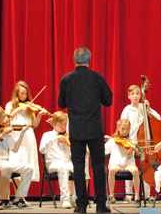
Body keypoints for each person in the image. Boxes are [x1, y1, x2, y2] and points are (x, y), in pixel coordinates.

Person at [58, 47, 113, 213]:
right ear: (89, 60)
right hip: (95, 129)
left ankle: (81, 205)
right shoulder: (97, 77)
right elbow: (108, 101)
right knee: (98, 166)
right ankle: (101, 205)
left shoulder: (67, 79)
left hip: (76, 130)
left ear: (74, 60)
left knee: (78, 167)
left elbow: (61, 104)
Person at [0, 104, 34, 209]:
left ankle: (19, 198)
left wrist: (22, 133)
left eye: (2, 118)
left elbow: (15, 149)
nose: (1, 121)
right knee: (6, 167)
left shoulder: (1, 129)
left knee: (29, 168)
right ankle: (3, 199)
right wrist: (2, 136)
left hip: (4, 161)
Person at [5, 81, 47, 198]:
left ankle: (22, 197)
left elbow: (34, 125)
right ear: (16, 94)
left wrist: (39, 115)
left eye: (25, 94)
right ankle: (18, 197)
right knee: (17, 164)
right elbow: (6, 120)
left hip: (29, 137)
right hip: (17, 136)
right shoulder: (10, 105)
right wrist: (18, 109)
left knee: (28, 165)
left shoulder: (30, 107)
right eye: (21, 94)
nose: (24, 96)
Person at [120, 85, 160, 203]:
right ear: (129, 96)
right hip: (131, 141)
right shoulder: (127, 109)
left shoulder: (143, 107)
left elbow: (158, 118)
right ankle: (129, 195)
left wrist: (149, 108)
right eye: (133, 94)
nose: (136, 96)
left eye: (137, 94)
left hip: (144, 141)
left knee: (146, 167)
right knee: (130, 166)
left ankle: (146, 195)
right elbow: (122, 125)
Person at [40, 111, 76, 209]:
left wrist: (68, 143)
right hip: (53, 163)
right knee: (63, 168)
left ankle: (75, 198)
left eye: (65, 124)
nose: (64, 126)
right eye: (61, 124)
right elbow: (42, 150)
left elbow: (74, 153)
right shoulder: (47, 135)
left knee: (78, 168)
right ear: (54, 124)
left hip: (67, 161)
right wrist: (54, 140)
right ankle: (65, 199)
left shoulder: (68, 136)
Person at [104, 119, 142, 208]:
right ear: (118, 128)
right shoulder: (113, 141)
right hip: (116, 164)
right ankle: (111, 196)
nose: (125, 131)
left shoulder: (131, 141)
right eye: (123, 129)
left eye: (127, 129)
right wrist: (109, 140)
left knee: (135, 171)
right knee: (112, 170)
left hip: (128, 164)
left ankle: (136, 197)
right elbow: (103, 151)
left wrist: (132, 150)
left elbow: (129, 157)